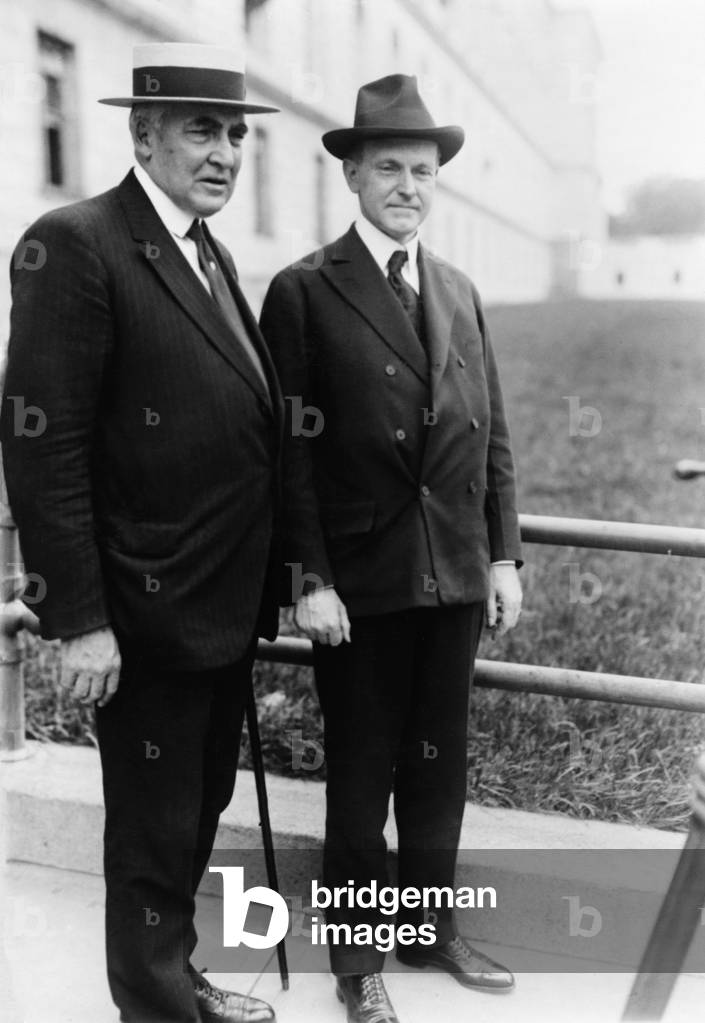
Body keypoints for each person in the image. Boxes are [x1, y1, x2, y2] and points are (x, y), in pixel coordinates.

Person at [1, 43, 283, 1023]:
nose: (225, 153)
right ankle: (157, 1006)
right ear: (142, 133)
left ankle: (180, 981)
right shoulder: (75, 243)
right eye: (202, 130)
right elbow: (43, 445)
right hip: (139, 610)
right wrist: (77, 619)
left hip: (217, 608)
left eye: (237, 134)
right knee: (154, 824)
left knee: (192, 811)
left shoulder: (206, 252)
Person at [260, 74, 523, 1023]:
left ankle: (429, 928)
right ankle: (358, 960)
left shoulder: (457, 289)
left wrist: (503, 557)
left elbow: (489, 436)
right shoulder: (303, 289)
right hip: (358, 587)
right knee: (362, 775)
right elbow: (285, 451)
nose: (408, 185)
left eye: (422, 170)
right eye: (388, 169)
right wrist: (309, 579)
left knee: (437, 766)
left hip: (452, 573)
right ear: (353, 176)